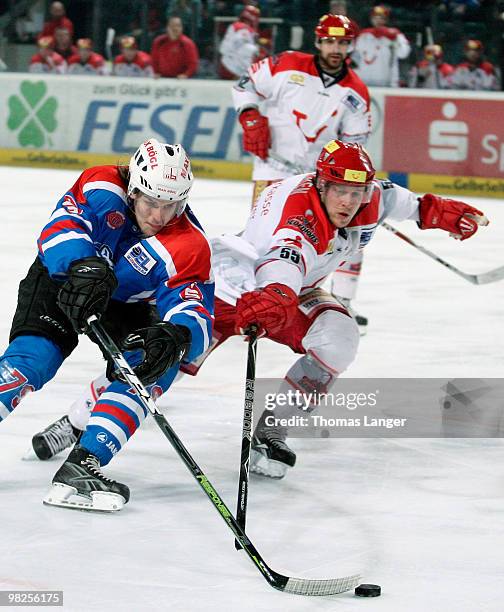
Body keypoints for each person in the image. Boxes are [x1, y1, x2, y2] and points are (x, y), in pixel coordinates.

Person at [33, 140, 488, 480]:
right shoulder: (296, 221)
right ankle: (76, 423)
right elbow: (281, 266)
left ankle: (272, 428)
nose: (349, 202)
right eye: (339, 192)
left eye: (357, 192)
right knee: (159, 360)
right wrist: (273, 299)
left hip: (295, 290)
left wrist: (443, 213)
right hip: (231, 287)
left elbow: (404, 201)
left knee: (339, 338)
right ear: (319, 184)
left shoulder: (368, 196)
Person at [1, 138, 214, 512]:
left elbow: (193, 308)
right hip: (63, 280)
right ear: (133, 190)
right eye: (151, 202)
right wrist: (80, 264)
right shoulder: (101, 186)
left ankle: (83, 464)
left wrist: (178, 333)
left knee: (151, 367)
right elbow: (60, 228)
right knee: (32, 361)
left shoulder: (188, 243)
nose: (160, 216)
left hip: (127, 305)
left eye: (172, 205)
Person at [232, 13, 371, 323]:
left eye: (343, 43)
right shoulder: (287, 63)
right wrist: (250, 115)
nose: (336, 48)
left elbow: (354, 146)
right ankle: (249, 297)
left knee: (343, 238)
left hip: (319, 182)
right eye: (331, 41)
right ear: (318, 42)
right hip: (272, 169)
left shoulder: (356, 93)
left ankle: (343, 302)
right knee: (261, 235)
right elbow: (245, 85)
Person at [353, 5, 411, 87]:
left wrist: (395, 40)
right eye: (375, 18)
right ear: (371, 19)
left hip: (388, 83)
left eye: (382, 18)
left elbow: (404, 53)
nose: (378, 20)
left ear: (386, 20)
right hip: (365, 82)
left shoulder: (396, 35)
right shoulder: (364, 36)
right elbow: (354, 55)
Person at [218, 4, 260, 80]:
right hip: (233, 68)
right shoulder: (244, 29)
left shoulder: (235, 25)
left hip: (224, 64)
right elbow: (245, 50)